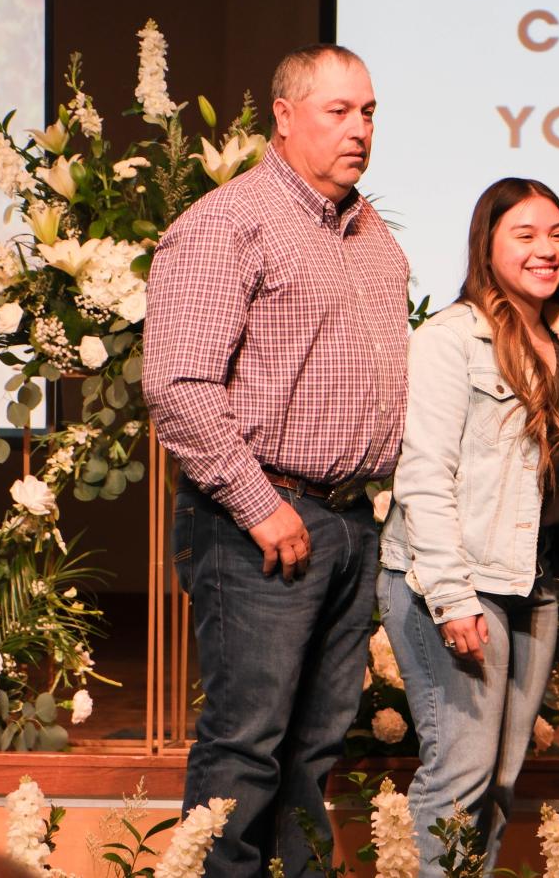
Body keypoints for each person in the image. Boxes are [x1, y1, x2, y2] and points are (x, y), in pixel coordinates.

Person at [142, 44, 410, 877]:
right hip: (258, 518)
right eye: (339, 111)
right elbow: (178, 384)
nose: (359, 128)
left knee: (316, 747)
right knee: (247, 744)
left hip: (347, 518)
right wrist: (259, 503)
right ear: (285, 117)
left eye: (368, 111)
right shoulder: (231, 221)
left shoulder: (371, 234)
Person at [378, 178, 559, 878]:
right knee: (459, 776)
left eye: (557, 232)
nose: (546, 248)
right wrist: (452, 597)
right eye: (525, 234)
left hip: (532, 583)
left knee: (500, 785)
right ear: (488, 244)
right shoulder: (453, 338)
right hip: (457, 583)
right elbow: (422, 477)